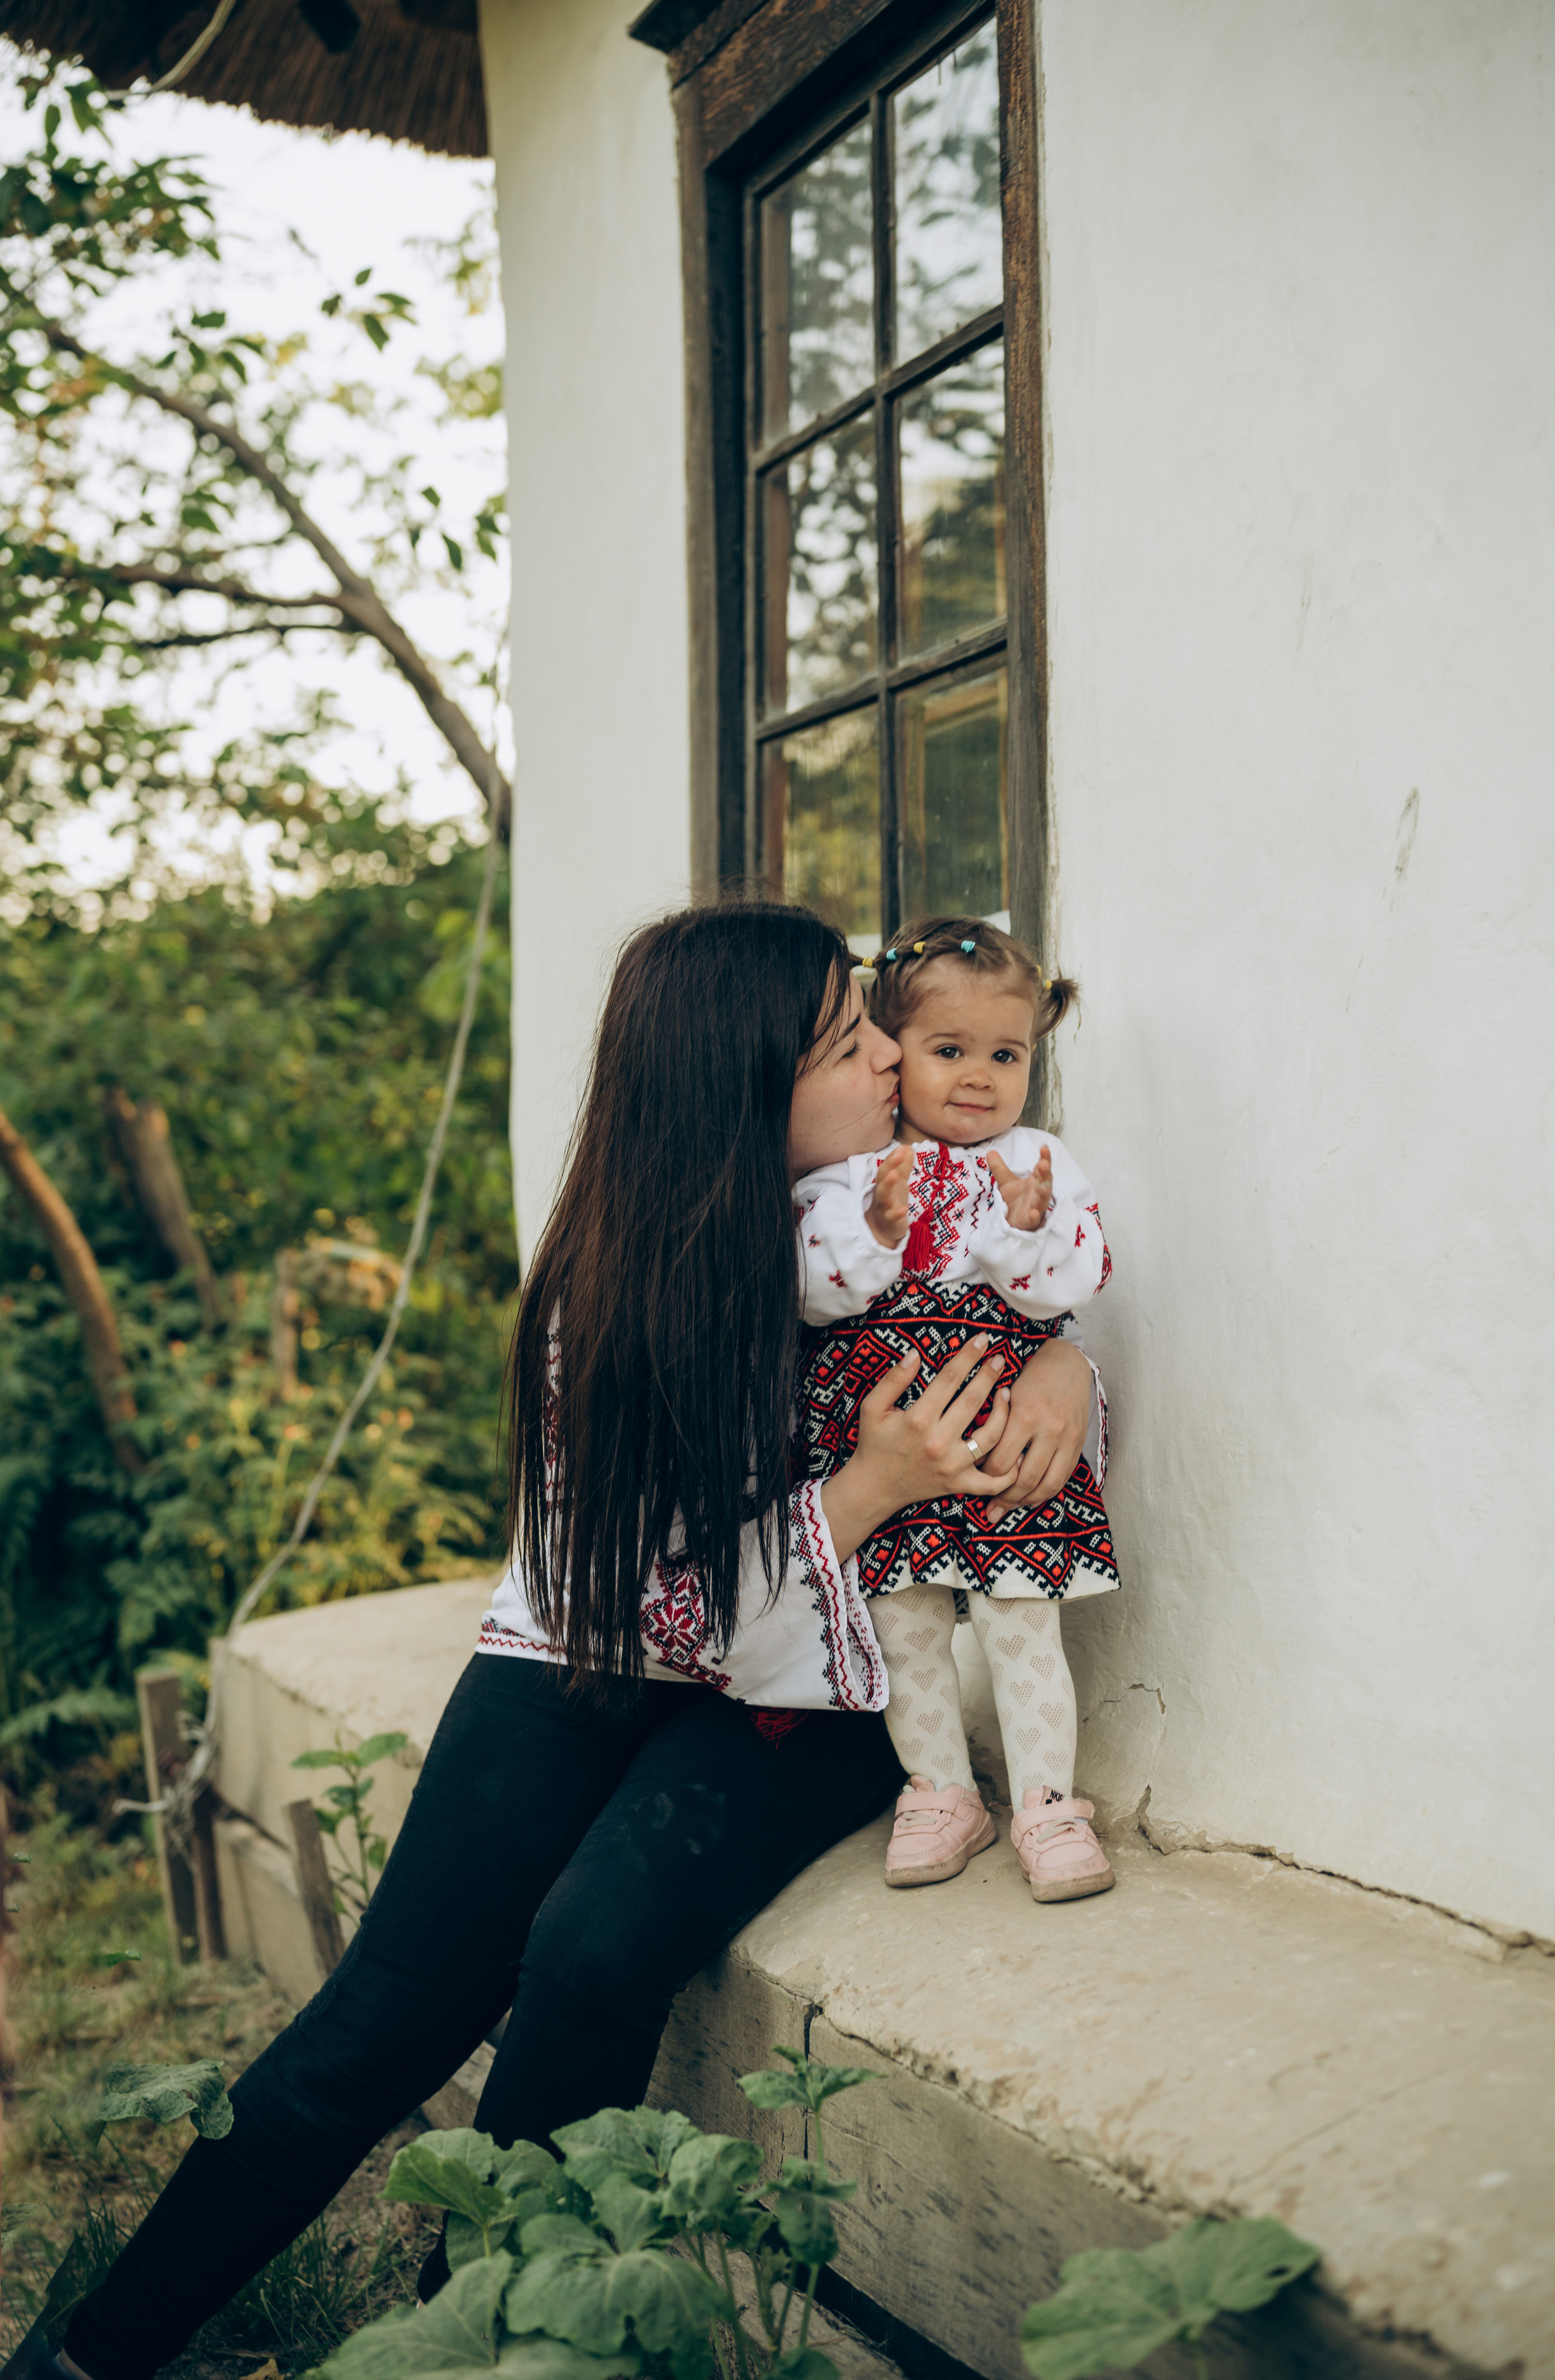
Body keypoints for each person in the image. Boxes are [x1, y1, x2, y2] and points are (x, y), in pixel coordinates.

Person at [26, 903, 1097, 2380]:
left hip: (804, 1684)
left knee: (590, 1950)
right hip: (587, 1648)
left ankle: (474, 2335)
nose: (890, 1062)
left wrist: (1064, 1363)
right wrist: (866, 1486)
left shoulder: (906, 1201)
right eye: (848, 1041)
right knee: (386, 2020)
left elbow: (1025, 1298)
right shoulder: (611, 1295)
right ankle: (94, 2353)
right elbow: (671, 1608)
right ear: (739, 1086)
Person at [793, 915, 1118, 1904]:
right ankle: (941, 1792)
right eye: (948, 1050)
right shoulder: (848, 1172)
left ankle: (1048, 1804)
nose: (979, 1076)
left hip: (1001, 1429)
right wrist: (876, 1230)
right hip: (883, 1438)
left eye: (1005, 1054)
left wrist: (1025, 1233)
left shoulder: (1039, 1161)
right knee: (905, 1622)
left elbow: (1075, 1282)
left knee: (1023, 1618)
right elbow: (812, 1293)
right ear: (894, 1051)